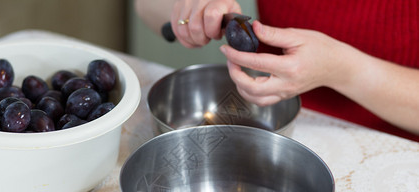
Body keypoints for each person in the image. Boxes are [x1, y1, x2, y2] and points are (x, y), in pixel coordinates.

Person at [135, 0, 419, 142]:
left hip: (389, 145)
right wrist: (192, 9)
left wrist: (343, 70)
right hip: (267, 121)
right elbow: (146, 6)